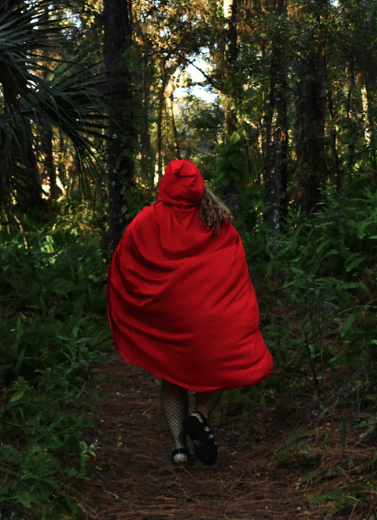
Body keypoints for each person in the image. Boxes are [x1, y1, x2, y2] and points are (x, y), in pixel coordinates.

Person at [106, 159, 273, 467]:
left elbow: (124, 261)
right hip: (212, 321)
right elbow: (235, 272)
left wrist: (138, 306)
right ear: (198, 186)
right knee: (221, 370)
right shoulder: (218, 220)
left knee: (173, 377)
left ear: (165, 185)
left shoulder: (146, 220)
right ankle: (200, 415)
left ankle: (179, 449)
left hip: (170, 321)